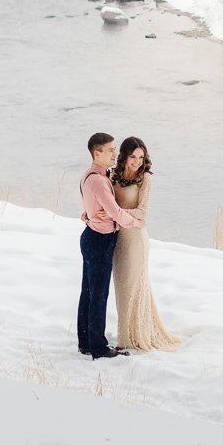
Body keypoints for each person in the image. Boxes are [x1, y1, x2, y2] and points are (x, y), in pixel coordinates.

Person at [110, 137, 182, 352]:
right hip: (116, 238)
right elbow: (102, 200)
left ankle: (126, 340)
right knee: (121, 288)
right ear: (124, 156)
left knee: (133, 287)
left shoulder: (145, 179)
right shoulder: (112, 175)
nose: (137, 162)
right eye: (133, 156)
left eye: (141, 158)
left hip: (135, 240)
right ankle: (127, 333)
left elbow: (143, 213)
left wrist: (115, 213)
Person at [77, 132, 142, 360]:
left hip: (92, 235)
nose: (115, 153)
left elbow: (94, 205)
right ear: (97, 153)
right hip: (100, 240)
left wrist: (90, 215)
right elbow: (115, 212)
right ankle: (98, 347)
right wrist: (137, 222)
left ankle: (85, 342)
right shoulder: (98, 180)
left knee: (89, 292)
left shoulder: (91, 175)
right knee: (98, 294)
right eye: (111, 150)